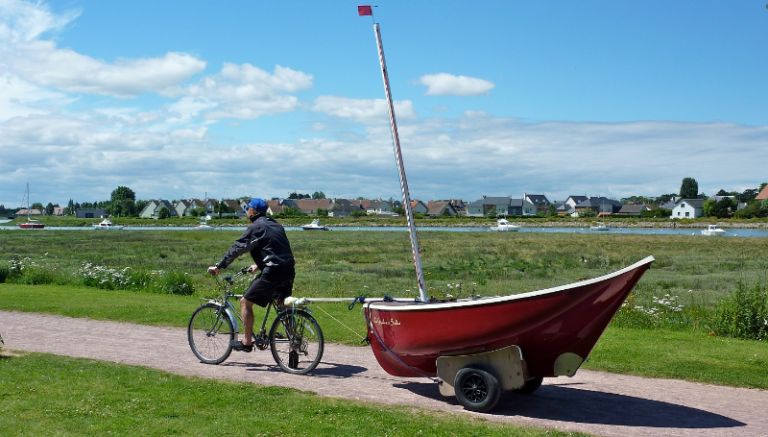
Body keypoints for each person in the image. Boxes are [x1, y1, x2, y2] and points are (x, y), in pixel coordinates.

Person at [207, 198, 295, 352]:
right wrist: (260, 265)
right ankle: (294, 338)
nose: (246, 212)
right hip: (288, 269)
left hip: (273, 272)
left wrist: (219, 266)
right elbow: (275, 249)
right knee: (283, 305)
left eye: (247, 209)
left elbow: (237, 249)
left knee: (245, 302)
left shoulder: (256, 227)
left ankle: (247, 342)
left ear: (253, 211)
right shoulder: (275, 224)